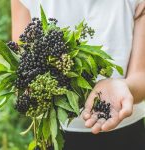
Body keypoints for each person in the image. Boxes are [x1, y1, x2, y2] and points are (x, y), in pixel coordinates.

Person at [11, 0, 145, 150]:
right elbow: (22, 66)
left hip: (124, 130)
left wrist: (125, 87)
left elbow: (141, 76)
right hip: (54, 134)